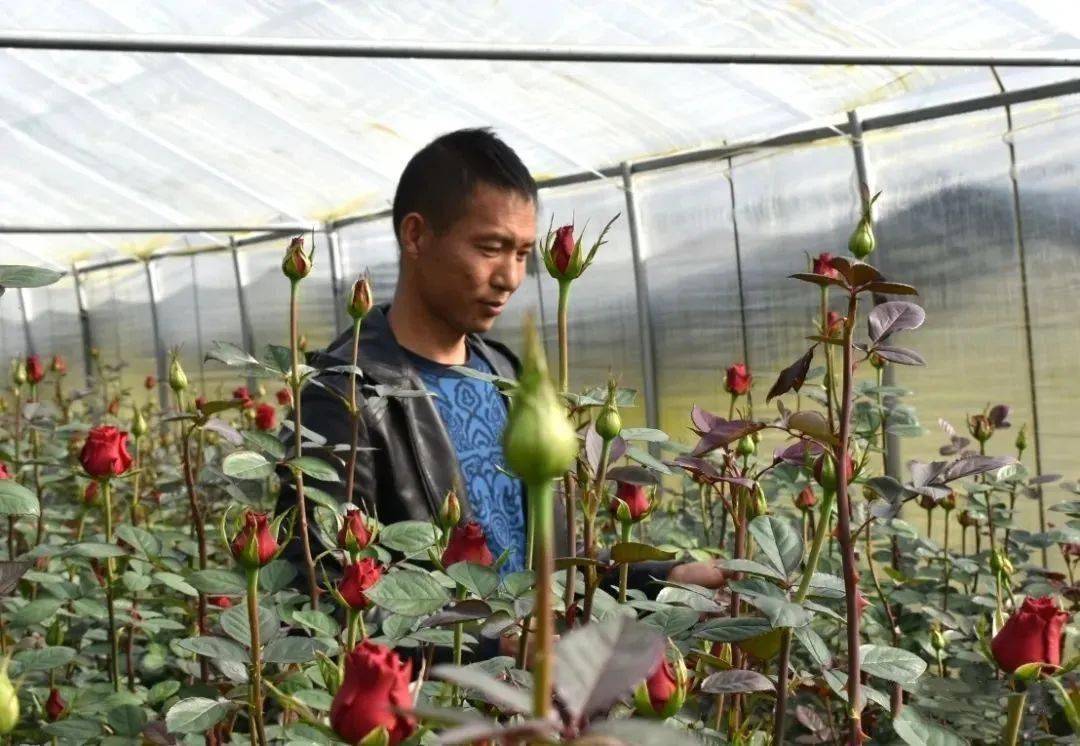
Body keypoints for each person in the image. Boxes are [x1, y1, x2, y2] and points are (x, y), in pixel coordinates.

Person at [275, 127, 725, 621]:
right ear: (416, 235)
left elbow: (551, 564)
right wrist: (493, 643)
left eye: (521, 254)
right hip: (448, 693)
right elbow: (326, 595)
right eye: (490, 248)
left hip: (543, 682)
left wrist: (665, 581)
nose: (510, 277)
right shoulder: (344, 395)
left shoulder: (506, 372)